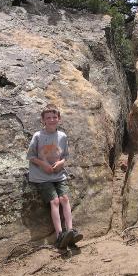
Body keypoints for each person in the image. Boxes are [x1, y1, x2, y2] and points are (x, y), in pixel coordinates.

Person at [27, 104, 83, 249]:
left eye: (54, 117)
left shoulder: (62, 136)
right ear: (43, 120)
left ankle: (70, 231)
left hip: (58, 175)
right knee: (55, 201)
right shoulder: (38, 136)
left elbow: (65, 156)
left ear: (59, 119)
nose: (51, 120)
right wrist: (43, 165)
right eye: (48, 118)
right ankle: (59, 235)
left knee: (65, 198)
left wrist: (60, 163)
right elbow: (31, 156)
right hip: (42, 176)